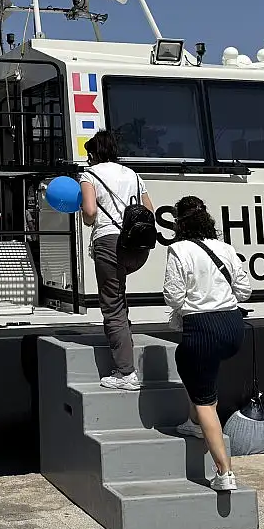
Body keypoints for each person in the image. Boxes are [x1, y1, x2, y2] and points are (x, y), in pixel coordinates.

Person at [163, 195, 252, 494]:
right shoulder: (226, 248)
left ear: (179, 222)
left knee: (205, 400)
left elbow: (173, 297)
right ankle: (191, 421)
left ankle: (224, 471)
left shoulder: (178, 250)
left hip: (202, 328)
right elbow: (245, 291)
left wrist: (195, 302)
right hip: (232, 327)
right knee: (192, 366)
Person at [79, 130, 155, 391]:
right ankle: (125, 341)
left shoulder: (90, 175)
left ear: (93, 153)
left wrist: (84, 214)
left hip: (110, 243)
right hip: (138, 246)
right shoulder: (133, 174)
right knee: (120, 297)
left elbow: (90, 213)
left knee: (111, 305)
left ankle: (126, 374)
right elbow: (150, 211)